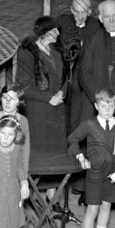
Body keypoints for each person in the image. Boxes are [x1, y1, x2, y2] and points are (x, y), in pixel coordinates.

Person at [68, 88, 115, 228]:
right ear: (96, 106)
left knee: (106, 207)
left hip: (113, 173)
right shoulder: (89, 124)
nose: (107, 109)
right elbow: (72, 139)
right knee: (92, 209)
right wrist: (81, 157)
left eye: (110, 106)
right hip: (94, 173)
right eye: (103, 106)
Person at [16, 16, 67, 153]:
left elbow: (65, 75)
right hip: (38, 109)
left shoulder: (56, 51)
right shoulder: (27, 53)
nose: (57, 34)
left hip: (57, 107)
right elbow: (24, 86)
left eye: (57, 31)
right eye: (53, 31)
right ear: (44, 33)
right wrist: (49, 99)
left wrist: (62, 92)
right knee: (40, 149)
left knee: (55, 149)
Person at [57, 0, 98, 130]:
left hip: (84, 73)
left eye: (84, 12)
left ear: (90, 12)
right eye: (76, 12)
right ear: (71, 10)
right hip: (63, 71)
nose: (79, 16)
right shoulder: (62, 22)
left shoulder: (97, 26)